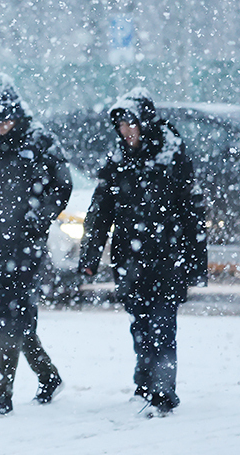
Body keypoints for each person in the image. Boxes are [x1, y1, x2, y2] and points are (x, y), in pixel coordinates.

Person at [78, 87, 207, 416]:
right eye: (121, 125)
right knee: (140, 324)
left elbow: (192, 211)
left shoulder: (171, 154)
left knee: (163, 326)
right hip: (130, 259)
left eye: (131, 124)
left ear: (146, 122)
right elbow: (100, 209)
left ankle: (163, 391)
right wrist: (90, 257)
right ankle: (145, 381)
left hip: (167, 257)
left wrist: (195, 263)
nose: (126, 131)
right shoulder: (118, 159)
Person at [0, 74, 72, 416]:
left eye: (4, 119)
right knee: (5, 315)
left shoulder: (40, 141)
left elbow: (61, 186)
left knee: (12, 315)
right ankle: (49, 376)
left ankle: (1, 396)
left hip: (25, 244)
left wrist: (36, 218)